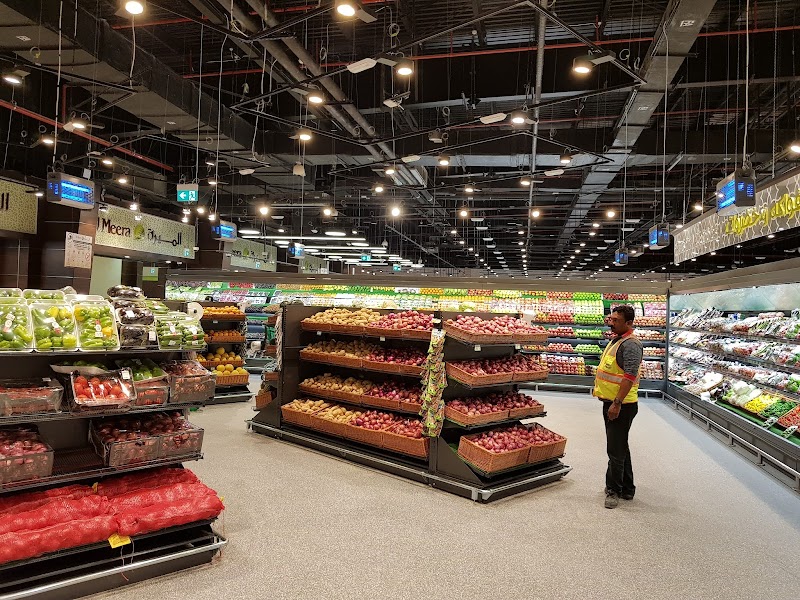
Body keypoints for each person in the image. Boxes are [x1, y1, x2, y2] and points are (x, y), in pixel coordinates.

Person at [593, 305, 643, 509]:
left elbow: (629, 376)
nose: (611, 323)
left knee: (614, 450)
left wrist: (616, 403)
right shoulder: (618, 340)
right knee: (620, 446)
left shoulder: (630, 345)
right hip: (613, 401)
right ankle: (628, 488)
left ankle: (613, 490)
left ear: (629, 323)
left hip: (622, 405)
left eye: (616, 320)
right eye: (611, 319)